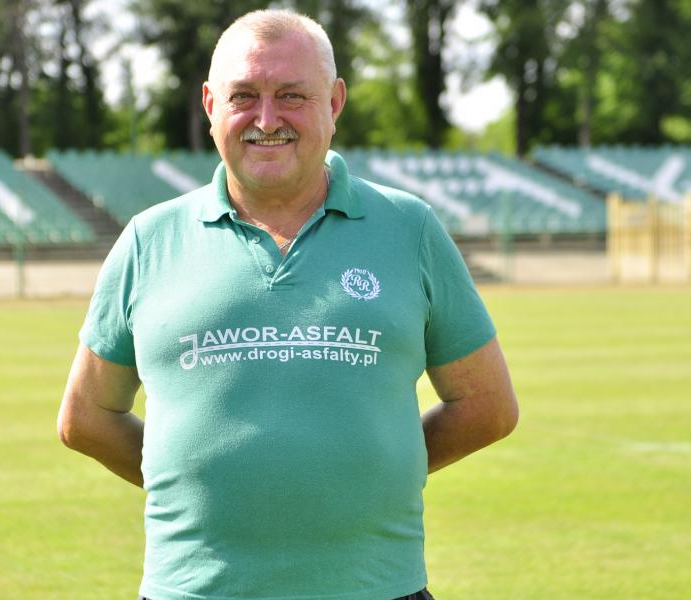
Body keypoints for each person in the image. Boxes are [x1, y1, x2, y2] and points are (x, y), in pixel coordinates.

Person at [58, 9, 518, 600]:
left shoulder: (410, 228)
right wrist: (189, 485)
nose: (267, 119)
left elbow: (487, 406)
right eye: (243, 96)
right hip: (192, 590)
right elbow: (86, 417)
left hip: (375, 589)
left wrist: (372, 478)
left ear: (335, 102)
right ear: (210, 105)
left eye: (292, 96)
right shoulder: (150, 239)